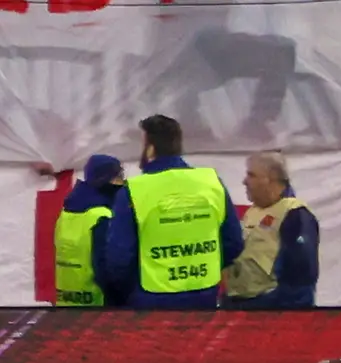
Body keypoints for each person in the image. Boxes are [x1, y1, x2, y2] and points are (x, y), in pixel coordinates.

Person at [101, 115, 238, 309]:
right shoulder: (211, 182)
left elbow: (119, 257)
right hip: (205, 296)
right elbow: (233, 242)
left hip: (152, 300)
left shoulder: (134, 190)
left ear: (150, 149)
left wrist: (131, 292)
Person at [227, 152, 322, 308]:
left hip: (270, 310)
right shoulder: (254, 211)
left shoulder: (295, 213)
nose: (245, 181)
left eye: (251, 175)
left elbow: (302, 275)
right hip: (243, 304)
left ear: (270, 180)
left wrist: (279, 314)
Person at [54, 154, 127, 306]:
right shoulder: (101, 216)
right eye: (118, 177)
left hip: (67, 301)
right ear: (106, 179)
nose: (122, 182)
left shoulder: (66, 213)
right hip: (97, 304)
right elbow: (106, 268)